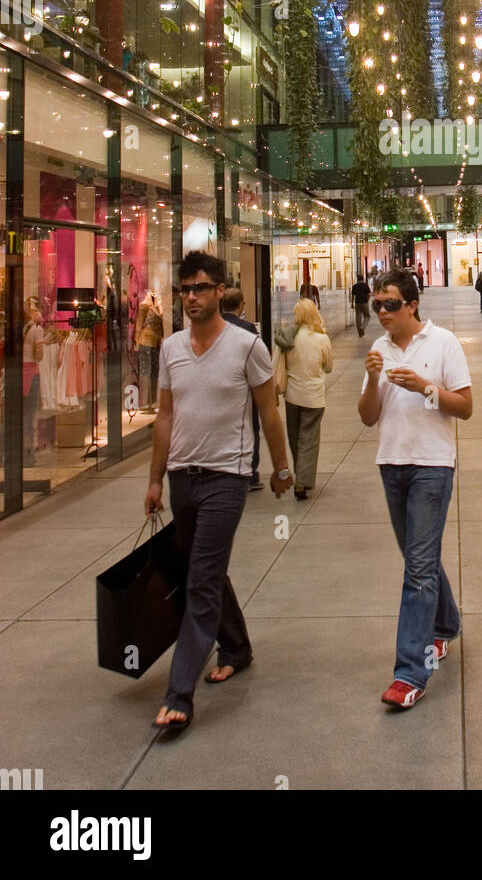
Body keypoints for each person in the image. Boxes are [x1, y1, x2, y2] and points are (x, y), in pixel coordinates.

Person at [145, 251, 293, 731]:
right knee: (199, 568)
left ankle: (179, 694)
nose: (191, 297)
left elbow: (269, 410)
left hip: (227, 478)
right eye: (184, 289)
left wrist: (281, 468)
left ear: (219, 290)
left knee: (200, 581)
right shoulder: (170, 349)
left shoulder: (248, 346)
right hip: (182, 477)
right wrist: (154, 478)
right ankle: (238, 646)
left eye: (200, 288)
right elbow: (165, 416)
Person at [358, 268, 472, 709]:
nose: (382, 312)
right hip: (392, 464)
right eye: (377, 305)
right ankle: (445, 625)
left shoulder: (443, 343)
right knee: (417, 558)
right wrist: (373, 380)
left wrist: (426, 389)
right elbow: (368, 417)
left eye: (389, 304)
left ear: (411, 304)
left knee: (418, 569)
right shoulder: (378, 350)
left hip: (432, 465)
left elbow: (465, 407)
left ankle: (410, 671)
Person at [283, 299, 333, 499]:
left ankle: (300, 476)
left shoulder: (287, 336)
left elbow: (278, 364)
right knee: (309, 439)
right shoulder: (322, 339)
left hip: (292, 395)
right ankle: (302, 481)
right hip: (313, 396)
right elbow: (328, 367)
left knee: (295, 438)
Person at [220, 286, 263, 490]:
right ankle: (250, 472)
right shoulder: (248, 329)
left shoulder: (212, 328)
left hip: (220, 391)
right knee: (250, 428)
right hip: (245, 390)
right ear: (241, 305)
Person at [22, 297, 45, 463]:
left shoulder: (18, 328)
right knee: (29, 414)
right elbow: (39, 355)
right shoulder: (37, 329)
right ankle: (28, 452)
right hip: (31, 372)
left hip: (17, 372)